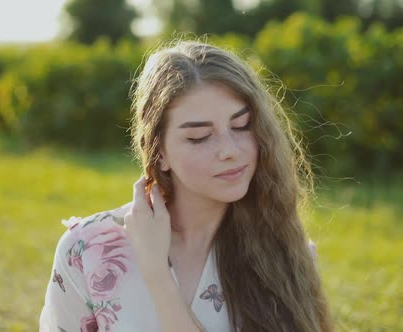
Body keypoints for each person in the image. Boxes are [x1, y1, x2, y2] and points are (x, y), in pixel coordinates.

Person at [39, 40, 333, 332]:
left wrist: (157, 274)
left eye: (242, 126)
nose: (230, 150)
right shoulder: (87, 250)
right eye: (200, 136)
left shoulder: (286, 253)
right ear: (159, 153)